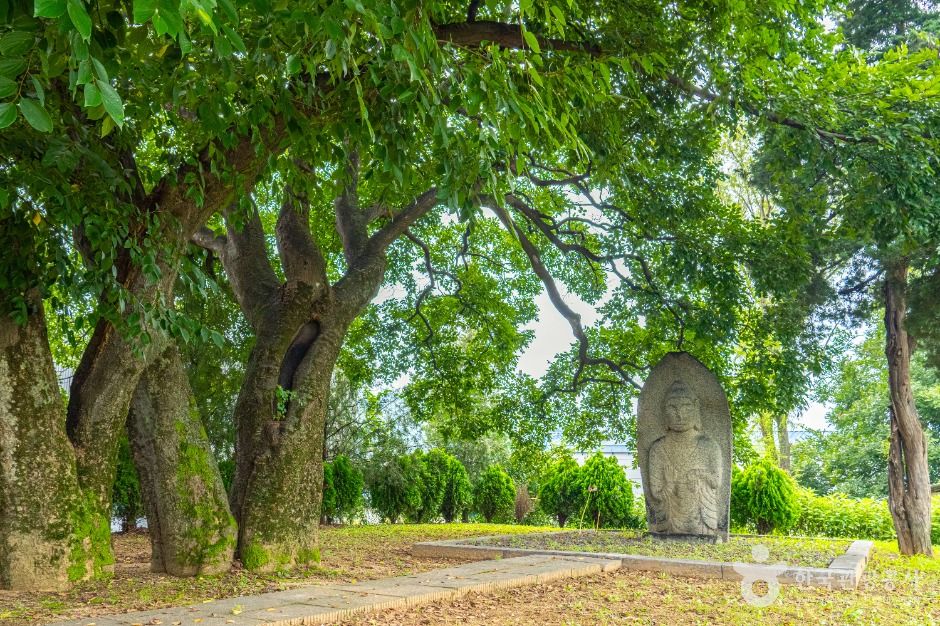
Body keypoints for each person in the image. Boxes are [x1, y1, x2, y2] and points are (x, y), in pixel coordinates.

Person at [646, 379, 721, 537]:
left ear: (696, 407)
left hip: (701, 519)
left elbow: (716, 482)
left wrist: (700, 475)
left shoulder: (709, 446)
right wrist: (670, 483)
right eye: (672, 408)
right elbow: (656, 494)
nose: (679, 414)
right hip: (670, 520)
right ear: (664, 412)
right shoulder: (657, 449)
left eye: (686, 407)